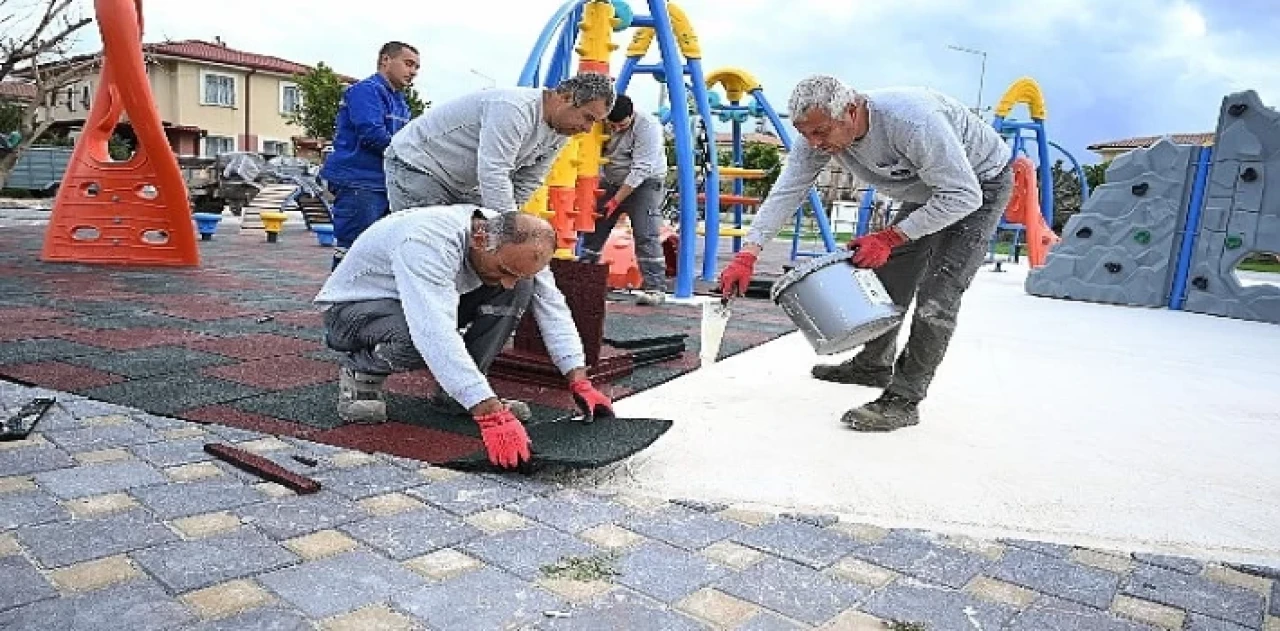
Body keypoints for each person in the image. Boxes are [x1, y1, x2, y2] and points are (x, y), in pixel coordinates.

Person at [719, 75, 1013, 432]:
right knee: (889, 279)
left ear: (852, 111)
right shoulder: (816, 135)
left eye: (822, 132)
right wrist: (748, 253)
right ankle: (873, 365)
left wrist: (890, 237)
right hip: (926, 191)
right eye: (806, 134)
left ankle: (904, 399)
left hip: (979, 185)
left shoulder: (912, 123)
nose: (814, 143)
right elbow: (788, 189)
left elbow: (963, 196)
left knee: (938, 296)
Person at [313, 206, 615, 470]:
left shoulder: (518, 241)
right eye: (505, 270)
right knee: (418, 339)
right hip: (352, 314)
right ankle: (361, 373)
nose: (508, 283)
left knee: (522, 289)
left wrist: (578, 378)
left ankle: (457, 394)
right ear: (481, 239)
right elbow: (433, 331)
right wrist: (490, 414)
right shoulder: (427, 242)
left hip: (409, 305)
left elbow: (553, 307)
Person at [383, 72, 616, 213]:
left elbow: (528, 181)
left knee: (468, 247)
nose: (587, 129)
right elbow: (493, 171)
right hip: (417, 164)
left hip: (459, 182)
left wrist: (507, 223)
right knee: (425, 245)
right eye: (588, 118)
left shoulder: (561, 131)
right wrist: (508, 226)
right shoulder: (514, 109)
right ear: (565, 98)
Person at [319, 41, 420, 270]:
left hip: (383, 185)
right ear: (386, 60)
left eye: (416, 68)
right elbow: (372, 134)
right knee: (353, 250)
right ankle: (340, 302)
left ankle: (366, 303)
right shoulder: (366, 90)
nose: (413, 72)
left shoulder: (401, 103)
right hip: (359, 182)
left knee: (377, 252)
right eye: (408, 64)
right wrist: (411, 158)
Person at [578, 94, 670, 306]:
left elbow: (641, 168)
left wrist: (616, 201)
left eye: (622, 125)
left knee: (645, 233)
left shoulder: (648, 127)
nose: (617, 129)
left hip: (645, 182)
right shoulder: (600, 121)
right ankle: (583, 278)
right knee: (594, 228)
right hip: (610, 179)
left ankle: (655, 288)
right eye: (613, 125)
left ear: (632, 115)